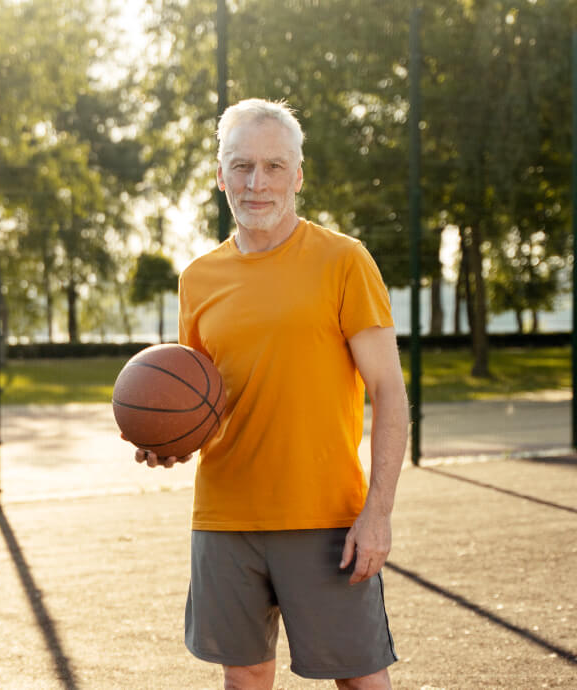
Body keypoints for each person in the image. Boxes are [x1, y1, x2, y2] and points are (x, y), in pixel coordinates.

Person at [132, 98, 409, 689]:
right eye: (241, 166)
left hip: (325, 515)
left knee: (360, 680)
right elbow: (203, 402)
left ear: (298, 176)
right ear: (220, 174)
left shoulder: (344, 261)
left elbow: (389, 390)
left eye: (274, 167)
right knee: (246, 677)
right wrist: (169, 442)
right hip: (225, 515)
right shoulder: (198, 278)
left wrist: (377, 512)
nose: (257, 183)